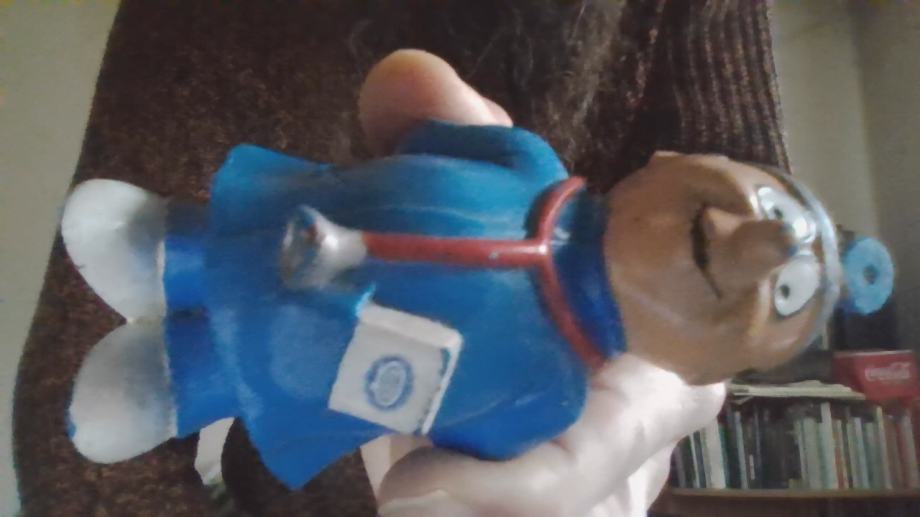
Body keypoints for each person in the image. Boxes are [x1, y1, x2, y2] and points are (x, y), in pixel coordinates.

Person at [14, 2, 790, 516]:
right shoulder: (524, 164)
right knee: (208, 262)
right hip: (282, 270)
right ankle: (173, 260)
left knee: (241, 369)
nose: (745, 238)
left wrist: (652, 385)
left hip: (331, 386)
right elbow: (70, 438)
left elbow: (756, 190)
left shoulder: (551, 390)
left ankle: (187, 369)